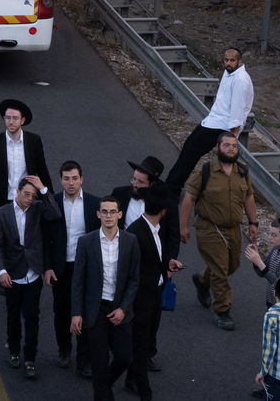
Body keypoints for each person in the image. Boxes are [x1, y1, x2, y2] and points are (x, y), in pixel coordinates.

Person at [180, 131, 259, 330]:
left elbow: (249, 197)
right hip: (209, 228)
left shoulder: (242, 171)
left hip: (233, 228)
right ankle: (222, 310)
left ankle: (202, 280)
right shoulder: (204, 171)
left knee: (231, 266)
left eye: (234, 146)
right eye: (227, 145)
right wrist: (183, 226)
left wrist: (253, 223)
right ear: (218, 147)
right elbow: (188, 198)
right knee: (220, 271)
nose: (231, 149)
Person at [70, 194, 140, 400]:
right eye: (104, 212)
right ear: (98, 214)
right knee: (99, 363)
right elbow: (78, 281)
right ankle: (102, 392)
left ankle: (101, 386)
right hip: (95, 310)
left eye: (112, 212)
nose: (108, 216)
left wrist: (123, 309)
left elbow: (134, 280)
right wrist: (76, 313)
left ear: (119, 214)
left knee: (125, 358)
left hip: (119, 309)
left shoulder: (131, 241)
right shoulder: (85, 242)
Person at [0, 175, 60, 379]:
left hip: (33, 273)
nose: (30, 198)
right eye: (27, 194)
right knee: (13, 317)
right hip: (13, 275)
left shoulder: (39, 208)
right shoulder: (3, 213)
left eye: (33, 195)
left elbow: (55, 215)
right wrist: (1, 271)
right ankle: (14, 351)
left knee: (32, 317)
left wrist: (43, 189)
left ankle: (30, 359)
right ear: (17, 192)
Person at [166, 47, 254, 195]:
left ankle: (173, 188)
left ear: (240, 61)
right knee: (188, 146)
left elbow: (238, 112)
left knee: (192, 153)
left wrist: (232, 138)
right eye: (226, 60)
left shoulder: (240, 80)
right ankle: (170, 183)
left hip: (222, 126)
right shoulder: (229, 73)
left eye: (232, 60)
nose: (228, 63)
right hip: (212, 120)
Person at [45, 160, 99, 378]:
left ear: (82, 179)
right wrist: (47, 267)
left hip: (85, 267)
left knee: (85, 311)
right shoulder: (53, 202)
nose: (71, 183)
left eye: (74, 178)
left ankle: (84, 359)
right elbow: (45, 238)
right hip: (61, 267)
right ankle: (64, 349)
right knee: (62, 310)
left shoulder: (95, 203)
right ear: (60, 180)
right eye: (66, 178)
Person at [125, 187, 177, 401]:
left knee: (144, 340)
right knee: (139, 343)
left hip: (155, 292)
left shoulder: (154, 230)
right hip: (140, 298)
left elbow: (154, 259)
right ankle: (141, 387)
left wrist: (168, 263)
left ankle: (129, 379)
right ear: (164, 211)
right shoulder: (137, 232)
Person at [0, 97, 53, 224]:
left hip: (27, 200)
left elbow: (42, 170)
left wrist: (50, 200)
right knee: (1, 239)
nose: (11, 122)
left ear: (22, 120)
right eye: (8, 118)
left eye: (15, 118)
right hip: (1, 201)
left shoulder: (33, 141)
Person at [258, 278, 280, 401]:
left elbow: (269, 347)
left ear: (275, 293)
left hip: (276, 372)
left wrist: (263, 371)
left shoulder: (272, 315)